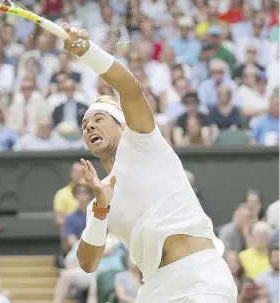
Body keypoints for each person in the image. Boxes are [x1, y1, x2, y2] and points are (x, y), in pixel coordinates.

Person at [62, 24, 237, 303]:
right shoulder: (99, 199)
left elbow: (129, 88)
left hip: (201, 277)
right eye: (85, 125)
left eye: (98, 119)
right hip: (154, 289)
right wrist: (101, 209)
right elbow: (87, 263)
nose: (89, 126)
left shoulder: (142, 141)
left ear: (121, 126)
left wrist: (88, 51)